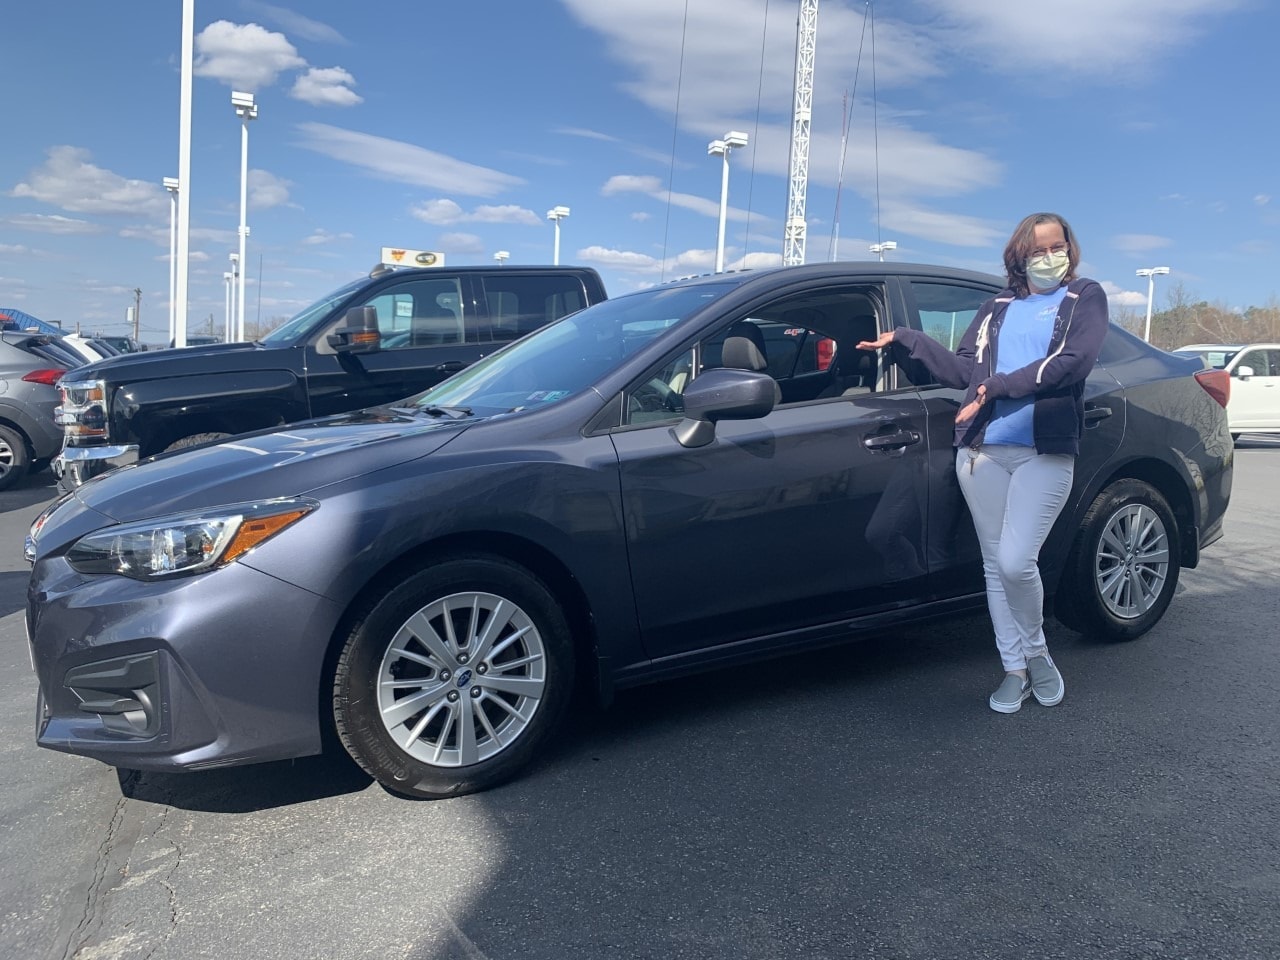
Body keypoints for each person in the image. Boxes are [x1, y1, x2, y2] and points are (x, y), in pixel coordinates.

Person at [857, 212, 1109, 713]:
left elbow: (1072, 364)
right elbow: (964, 372)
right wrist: (908, 339)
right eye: (1038, 250)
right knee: (995, 566)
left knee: (1017, 561)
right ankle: (1014, 668)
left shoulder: (1083, 296)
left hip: (1043, 450)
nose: (1050, 258)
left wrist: (996, 386)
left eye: (1057, 247)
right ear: (1019, 256)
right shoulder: (996, 308)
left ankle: (1037, 653)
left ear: (1070, 249)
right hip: (982, 450)